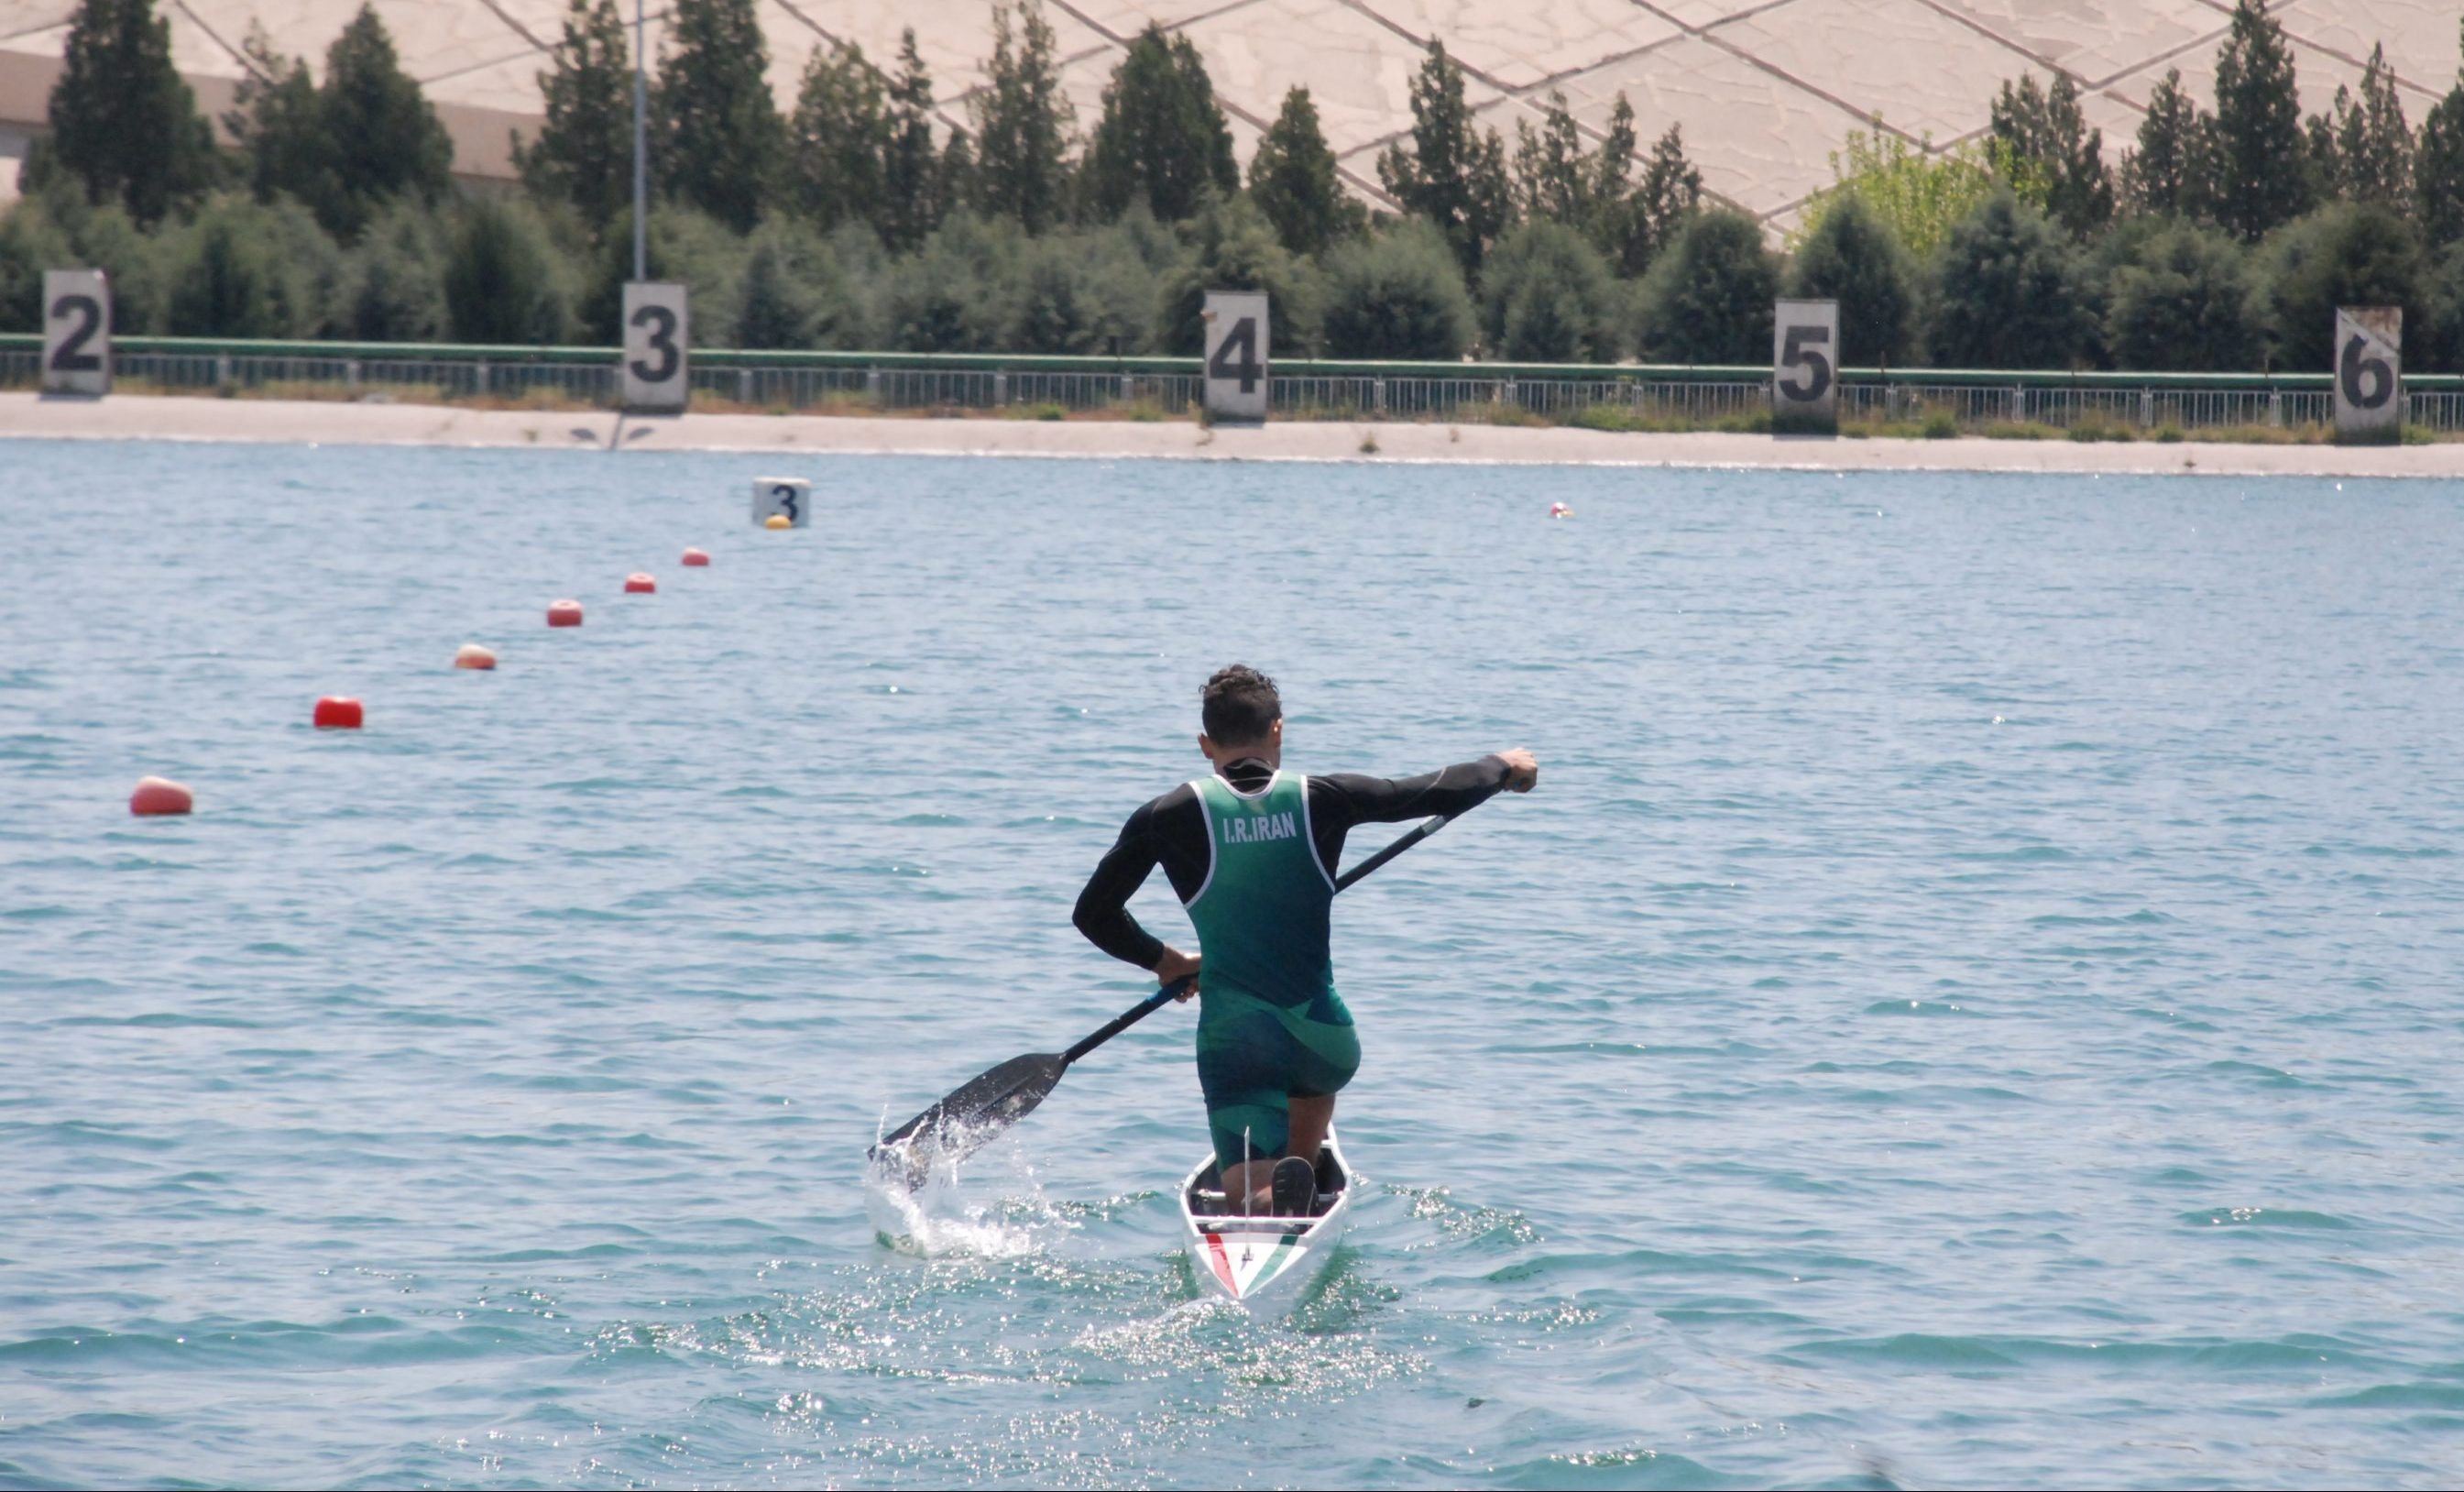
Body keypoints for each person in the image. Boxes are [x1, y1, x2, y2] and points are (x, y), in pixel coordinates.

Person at [1072, 664, 1539, 1216]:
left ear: (1205, 744)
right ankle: (1303, 1172)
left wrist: (1165, 959)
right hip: (1324, 1036)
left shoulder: (1166, 816)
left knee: (1250, 1189)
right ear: (1278, 731)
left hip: (1238, 1041)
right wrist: (1502, 765)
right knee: (1304, 1104)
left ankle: (1267, 1194)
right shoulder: (1326, 798)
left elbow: (1094, 914)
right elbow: (1430, 790)